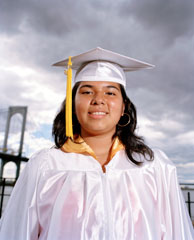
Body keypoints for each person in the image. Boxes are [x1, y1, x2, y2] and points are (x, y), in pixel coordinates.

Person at [0, 47, 193, 240]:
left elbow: (177, 234)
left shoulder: (154, 166)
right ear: (73, 104)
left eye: (110, 93)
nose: (98, 100)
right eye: (87, 92)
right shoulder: (45, 166)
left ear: (124, 106)